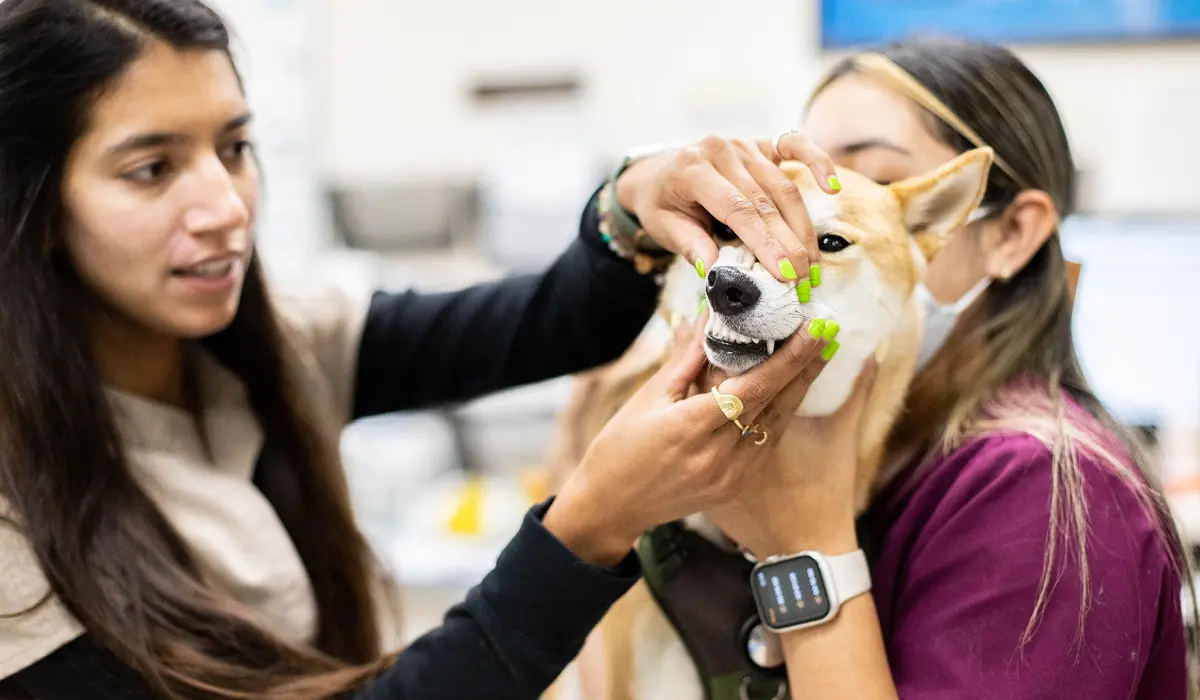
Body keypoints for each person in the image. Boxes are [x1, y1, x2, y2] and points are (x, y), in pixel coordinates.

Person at [0, 1, 847, 699]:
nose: (225, 206)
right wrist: (590, 523)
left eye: (233, 148)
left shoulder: (271, 344)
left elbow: (549, 323)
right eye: (152, 169)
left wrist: (632, 200)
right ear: (32, 204)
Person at [672, 39, 1194, 699]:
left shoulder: (1044, 486)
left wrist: (805, 546)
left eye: (876, 188)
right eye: (794, 192)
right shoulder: (896, 453)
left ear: (1008, 233)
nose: (789, 250)